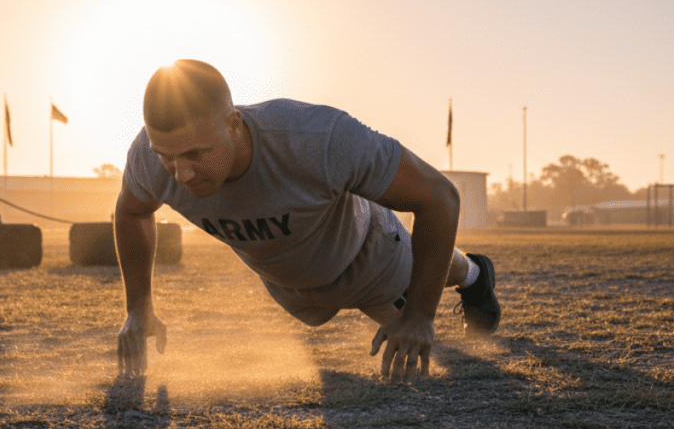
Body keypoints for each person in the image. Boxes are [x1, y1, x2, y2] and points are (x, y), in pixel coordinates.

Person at [115, 60, 500, 380]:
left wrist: (419, 316)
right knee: (387, 326)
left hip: (368, 255)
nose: (180, 174)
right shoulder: (150, 160)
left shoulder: (318, 138)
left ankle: (474, 275)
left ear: (234, 125)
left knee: (413, 352)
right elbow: (132, 211)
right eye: (167, 156)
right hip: (293, 285)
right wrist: (138, 309)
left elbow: (440, 198)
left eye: (197, 154)